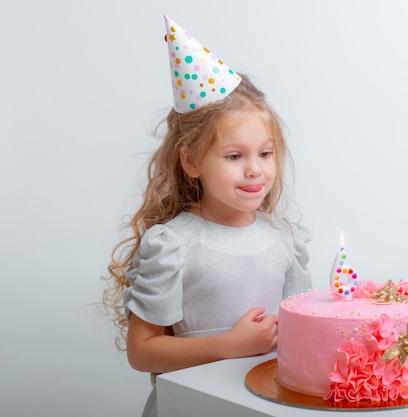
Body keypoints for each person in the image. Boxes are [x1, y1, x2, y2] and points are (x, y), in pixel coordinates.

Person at [102, 16, 312, 417]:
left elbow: (299, 325)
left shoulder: (285, 239)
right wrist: (228, 346)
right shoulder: (174, 245)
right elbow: (142, 352)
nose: (255, 170)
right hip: (194, 407)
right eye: (235, 156)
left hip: (265, 405)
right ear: (192, 160)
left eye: (265, 153)